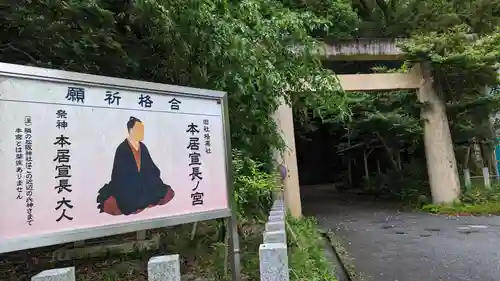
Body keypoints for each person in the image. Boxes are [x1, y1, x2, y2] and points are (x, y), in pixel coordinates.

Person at [96, 116, 175, 215]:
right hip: (128, 184)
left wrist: (151, 174)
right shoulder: (122, 148)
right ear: (130, 130)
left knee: (164, 191)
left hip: (144, 181)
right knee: (130, 201)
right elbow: (119, 173)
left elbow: (150, 165)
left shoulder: (142, 147)